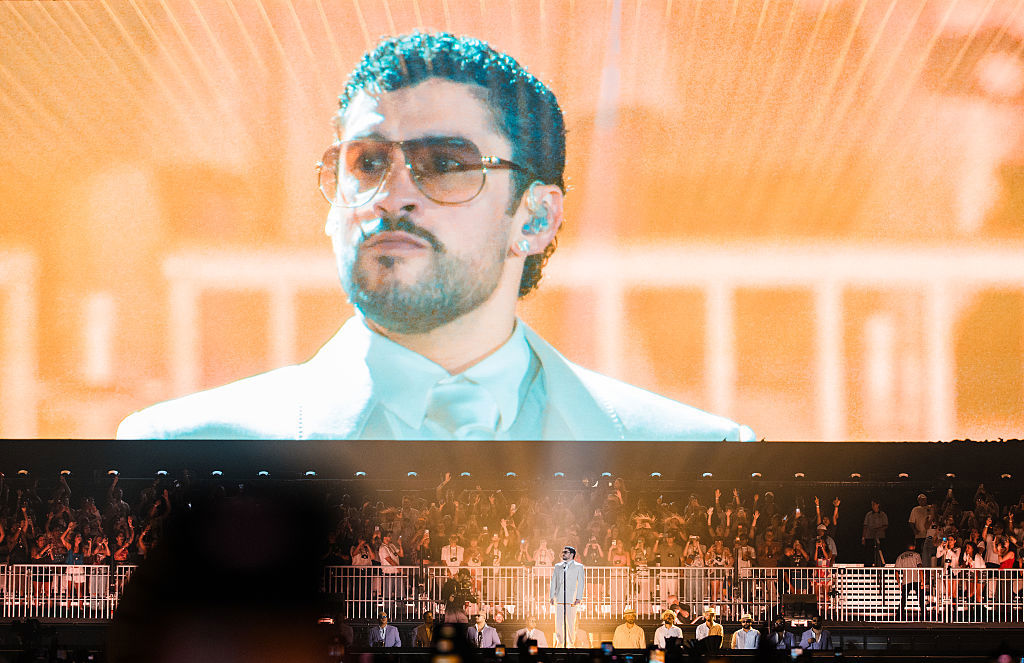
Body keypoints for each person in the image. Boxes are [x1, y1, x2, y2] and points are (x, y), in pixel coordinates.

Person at [116, 31, 755, 442]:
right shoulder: (182, 453)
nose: (392, 196)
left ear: (535, 218)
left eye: (446, 164)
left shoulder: (694, 456)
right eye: (367, 164)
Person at [550, 545, 585, 647]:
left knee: (570, 622)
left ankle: (570, 643)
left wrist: (578, 597)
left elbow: (581, 583)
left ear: (572, 554)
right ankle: (560, 643)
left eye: (566, 552)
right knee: (559, 622)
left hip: (571, 599)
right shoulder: (558, 566)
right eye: (563, 552)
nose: (563, 554)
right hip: (559, 598)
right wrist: (552, 596)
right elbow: (554, 582)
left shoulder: (579, 566)